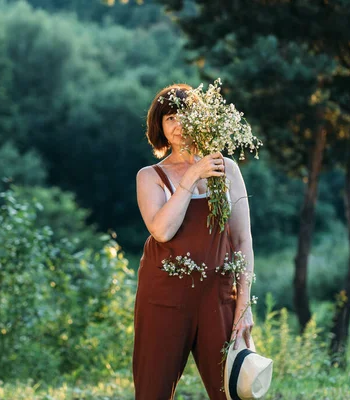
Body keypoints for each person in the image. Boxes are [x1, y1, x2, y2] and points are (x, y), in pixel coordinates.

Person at [132, 83, 256, 399]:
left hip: (217, 294)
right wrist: (192, 175)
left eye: (185, 114)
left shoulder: (226, 168)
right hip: (164, 295)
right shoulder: (150, 176)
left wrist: (243, 305)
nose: (178, 124)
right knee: (153, 390)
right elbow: (162, 231)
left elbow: (242, 240)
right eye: (169, 117)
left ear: (201, 119)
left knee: (233, 390)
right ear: (159, 126)